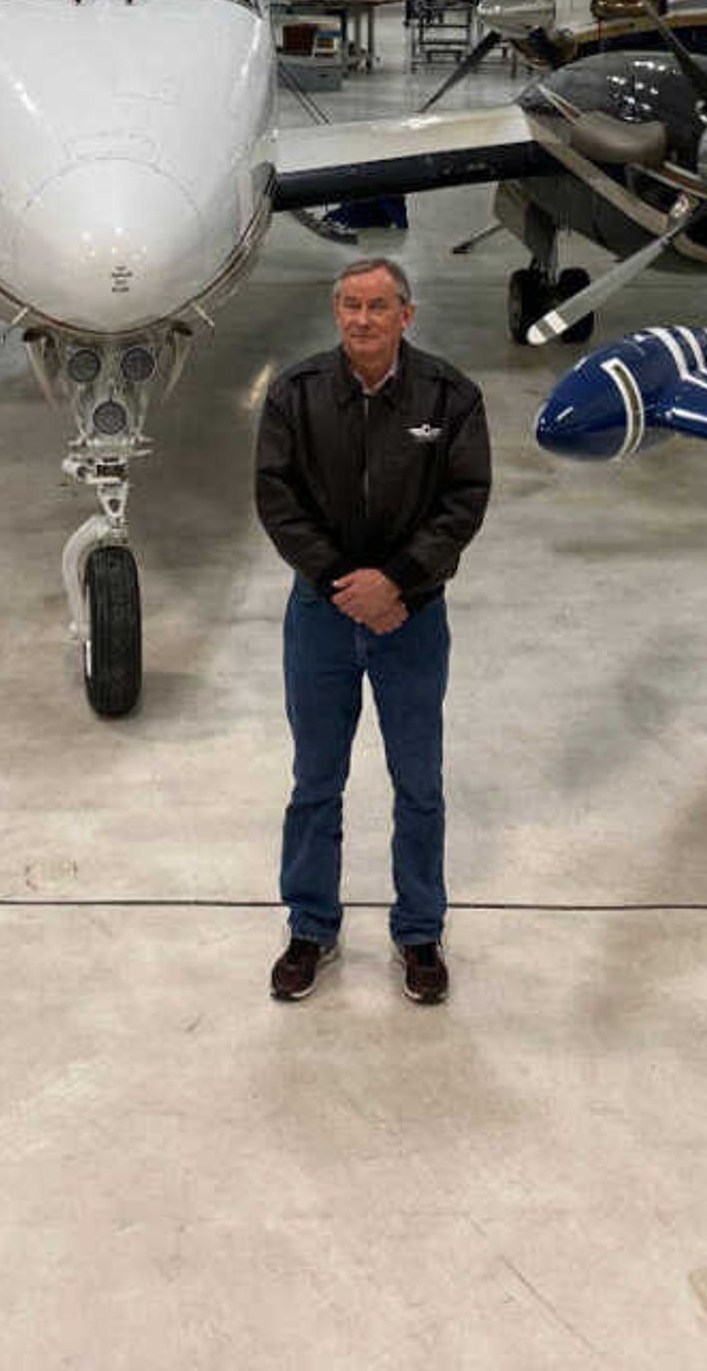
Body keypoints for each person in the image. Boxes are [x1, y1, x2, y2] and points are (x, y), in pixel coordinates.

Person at [255, 255, 490, 1007]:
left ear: (406, 316)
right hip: (321, 617)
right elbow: (276, 498)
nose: (362, 319)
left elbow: (464, 500)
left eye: (378, 307)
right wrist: (341, 585)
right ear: (337, 314)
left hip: (412, 620)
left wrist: (398, 583)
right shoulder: (295, 394)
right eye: (351, 306)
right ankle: (309, 926)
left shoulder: (450, 396)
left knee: (418, 783)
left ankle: (420, 930)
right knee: (315, 781)